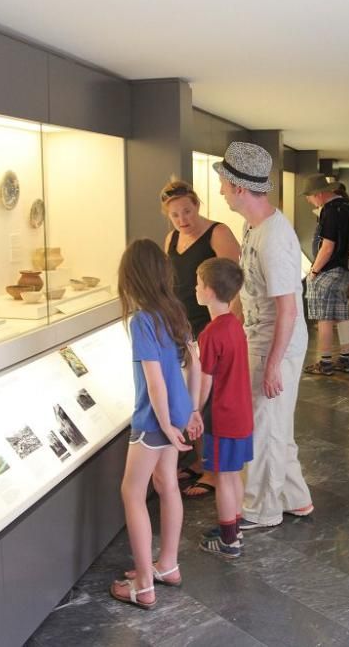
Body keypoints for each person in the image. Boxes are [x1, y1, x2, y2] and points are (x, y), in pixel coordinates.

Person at [214, 141, 313, 530]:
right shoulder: (253, 226)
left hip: (277, 342)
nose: (221, 190)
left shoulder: (273, 237)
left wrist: (273, 365)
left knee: (263, 426)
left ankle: (263, 509)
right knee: (276, 422)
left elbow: (288, 309)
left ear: (239, 188)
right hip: (264, 337)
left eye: (223, 183)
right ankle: (295, 497)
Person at [110, 239, 202, 610]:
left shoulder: (142, 320)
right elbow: (195, 363)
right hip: (178, 413)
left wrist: (164, 424)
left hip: (154, 421)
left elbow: (155, 382)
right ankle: (168, 565)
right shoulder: (174, 310)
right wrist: (192, 411)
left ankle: (145, 585)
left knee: (132, 494)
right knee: (167, 484)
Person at [160, 178, 241, 499]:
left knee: (210, 400)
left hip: (210, 329)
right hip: (181, 330)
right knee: (190, 398)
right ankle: (198, 458)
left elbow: (237, 284)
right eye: (175, 215)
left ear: (198, 206)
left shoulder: (218, 233)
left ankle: (213, 470)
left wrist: (227, 329)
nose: (183, 220)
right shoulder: (171, 238)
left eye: (188, 211)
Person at [193, 257, 253, 558]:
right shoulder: (234, 327)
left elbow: (204, 382)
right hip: (241, 414)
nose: (195, 288)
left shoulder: (211, 334)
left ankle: (230, 541)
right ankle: (234, 527)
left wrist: (193, 411)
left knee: (224, 478)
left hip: (221, 417)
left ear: (209, 291)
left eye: (198, 284)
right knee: (233, 474)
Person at [300, 174, 349, 375]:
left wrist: (314, 271)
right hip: (344, 270)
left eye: (310, 196)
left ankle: (325, 362)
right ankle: (346, 359)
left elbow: (328, 246)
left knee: (324, 318)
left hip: (328, 270)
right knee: (341, 315)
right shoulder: (347, 206)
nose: (308, 200)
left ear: (319, 194)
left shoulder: (330, 211)